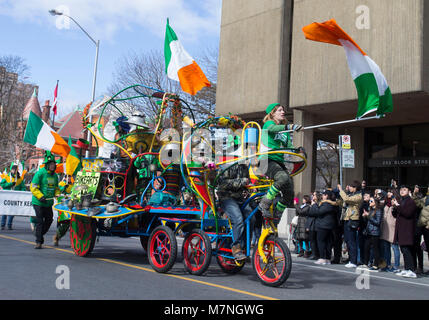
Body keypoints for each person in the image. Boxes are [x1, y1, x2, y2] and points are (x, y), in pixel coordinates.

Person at [258, 103, 302, 219]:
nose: (283, 112)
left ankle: (278, 212)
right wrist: (289, 127)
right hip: (266, 160)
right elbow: (273, 129)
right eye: (280, 110)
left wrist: (298, 150)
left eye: (283, 110)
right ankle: (264, 204)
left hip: (278, 162)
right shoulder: (268, 124)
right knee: (282, 178)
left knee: (289, 192)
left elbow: (289, 146)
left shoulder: (284, 131)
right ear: (272, 113)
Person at [217, 160, 254, 261]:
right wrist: (243, 182)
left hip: (240, 198)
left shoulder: (244, 167)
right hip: (226, 198)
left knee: (251, 218)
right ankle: (236, 248)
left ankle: (245, 247)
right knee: (238, 219)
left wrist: (251, 188)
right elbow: (223, 183)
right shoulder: (227, 164)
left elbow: (247, 183)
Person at [30, 153, 61, 249]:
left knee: (49, 220)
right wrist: (40, 196)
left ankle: (38, 233)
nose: (53, 166)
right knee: (40, 221)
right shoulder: (40, 173)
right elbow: (33, 186)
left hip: (48, 202)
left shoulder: (55, 176)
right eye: (51, 164)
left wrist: (57, 193)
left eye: (53, 164)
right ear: (47, 165)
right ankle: (39, 242)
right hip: (39, 202)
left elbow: (56, 187)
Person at [392, 185, 418, 278]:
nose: (402, 191)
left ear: (409, 191)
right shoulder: (402, 201)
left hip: (407, 229)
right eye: (401, 190)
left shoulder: (410, 201)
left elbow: (407, 213)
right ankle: (407, 269)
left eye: (404, 190)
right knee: (403, 249)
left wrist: (398, 206)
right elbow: (396, 214)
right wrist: (394, 207)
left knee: (407, 250)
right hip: (401, 229)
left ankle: (411, 269)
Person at [308, 190, 338, 265]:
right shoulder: (331, 204)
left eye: (324, 195)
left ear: (327, 196)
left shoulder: (327, 204)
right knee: (327, 242)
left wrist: (314, 205)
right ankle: (327, 258)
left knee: (321, 241)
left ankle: (322, 258)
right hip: (328, 225)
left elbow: (318, 212)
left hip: (324, 225)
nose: (322, 196)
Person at [338, 180, 362, 268]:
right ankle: (350, 259)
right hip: (346, 219)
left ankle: (353, 261)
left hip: (353, 219)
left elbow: (347, 199)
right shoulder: (350, 194)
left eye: (351, 187)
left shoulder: (358, 196)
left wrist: (341, 190)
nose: (349, 188)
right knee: (347, 240)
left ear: (355, 188)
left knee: (352, 241)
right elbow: (343, 202)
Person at [380, 188, 401, 273]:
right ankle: (387, 264)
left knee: (395, 247)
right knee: (386, 248)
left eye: (390, 192)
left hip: (393, 227)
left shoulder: (396, 202)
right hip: (385, 228)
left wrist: (395, 204)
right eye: (388, 192)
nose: (388, 193)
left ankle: (396, 266)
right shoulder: (385, 202)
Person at [358, 197, 382, 272]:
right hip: (369, 231)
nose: (370, 202)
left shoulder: (378, 211)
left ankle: (376, 265)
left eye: (371, 201)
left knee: (375, 249)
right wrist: (365, 216)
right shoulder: (371, 210)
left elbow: (377, 222)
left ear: (375, 202)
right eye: (370, 201)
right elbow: (368, 221)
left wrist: (368, 216)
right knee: (366, 247)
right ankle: (366, 263)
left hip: (375, 232)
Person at [1, 162, 27, 230]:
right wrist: (10, 184)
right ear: (11, 170)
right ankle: (2, 225)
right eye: (13, 169)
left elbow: (23, 187)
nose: (14, 171)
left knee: (12, 212)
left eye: (15, 170)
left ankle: (9, 225)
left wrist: (21, 193)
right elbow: (2, 185)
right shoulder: (6, 177)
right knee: (5, 211)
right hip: (6, 197)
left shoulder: (19, 179)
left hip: (15, 198)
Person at [53, 175, 74, 246]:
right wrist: (64, 187)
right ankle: (57, 237)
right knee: (65, 224)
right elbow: (58, 191)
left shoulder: (73, 185)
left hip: (72, 206)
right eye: (68, 177)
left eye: (71, 177)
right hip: (63, 206)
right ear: (65, 177)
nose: (70, 178)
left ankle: (74, 242)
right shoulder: (61, 183)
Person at [412, 187, 429, 275]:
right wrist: (414, 194)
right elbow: (417, 203)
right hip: (420, 225)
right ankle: (419, 267)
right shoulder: (425, 199)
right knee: (416, 245)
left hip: (427, 226)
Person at [305, 191, 321, 260]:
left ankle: (315, 254)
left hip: (314, 224)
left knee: (313, 240)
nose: (312, 196)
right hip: (312, 224)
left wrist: (313, 205)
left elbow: (312, 213)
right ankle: (314, 253)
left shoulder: (317, 204)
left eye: (314, 195)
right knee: (312, 240)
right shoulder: (314, 204)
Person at [358, 192, 371, 265]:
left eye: (367, 195)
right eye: (364, 195)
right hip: (361, 226)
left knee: (367, 246)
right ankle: (362, 260)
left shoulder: (370, 205)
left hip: (367, 227)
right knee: (361, 245)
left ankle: (367, 260)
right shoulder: (362, 204)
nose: (365, 196)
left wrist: (365, 216)